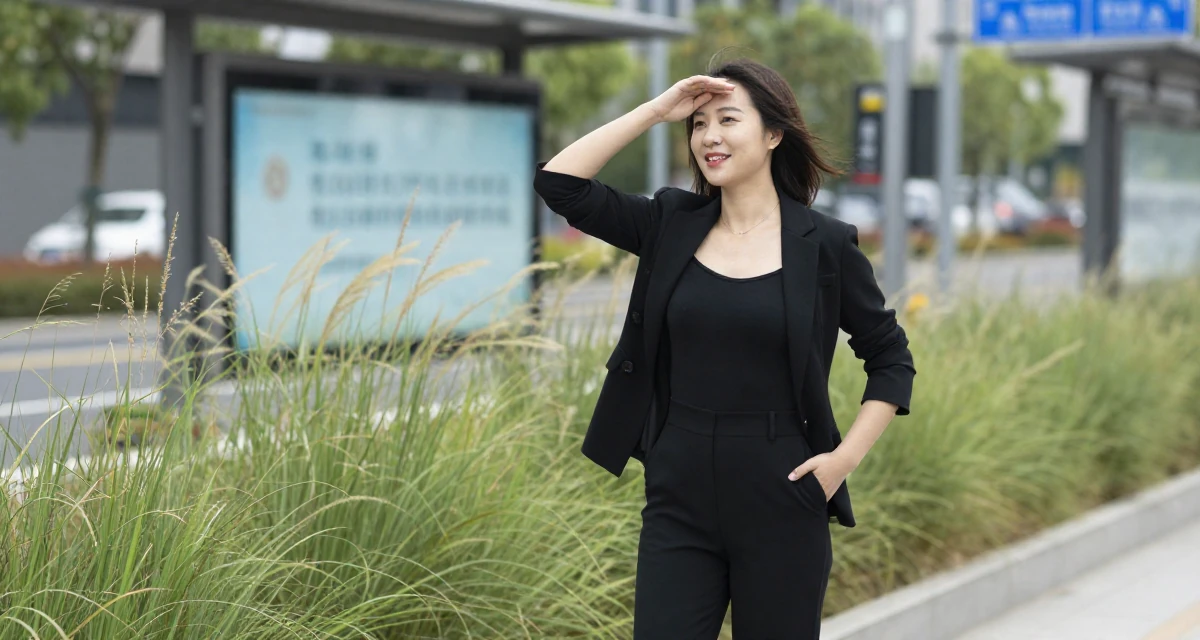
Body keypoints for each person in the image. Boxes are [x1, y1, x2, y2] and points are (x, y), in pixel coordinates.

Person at [533, 58, 916, 640]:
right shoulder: (669, 222)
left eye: (728, 120)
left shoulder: (825, 246)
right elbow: (560, 184)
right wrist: (659, 109)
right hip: (678, 488)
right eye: (699, 123)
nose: (709, 136)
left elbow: (890, 358)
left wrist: (840, 464)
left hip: (783, 488)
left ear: (772, 133)